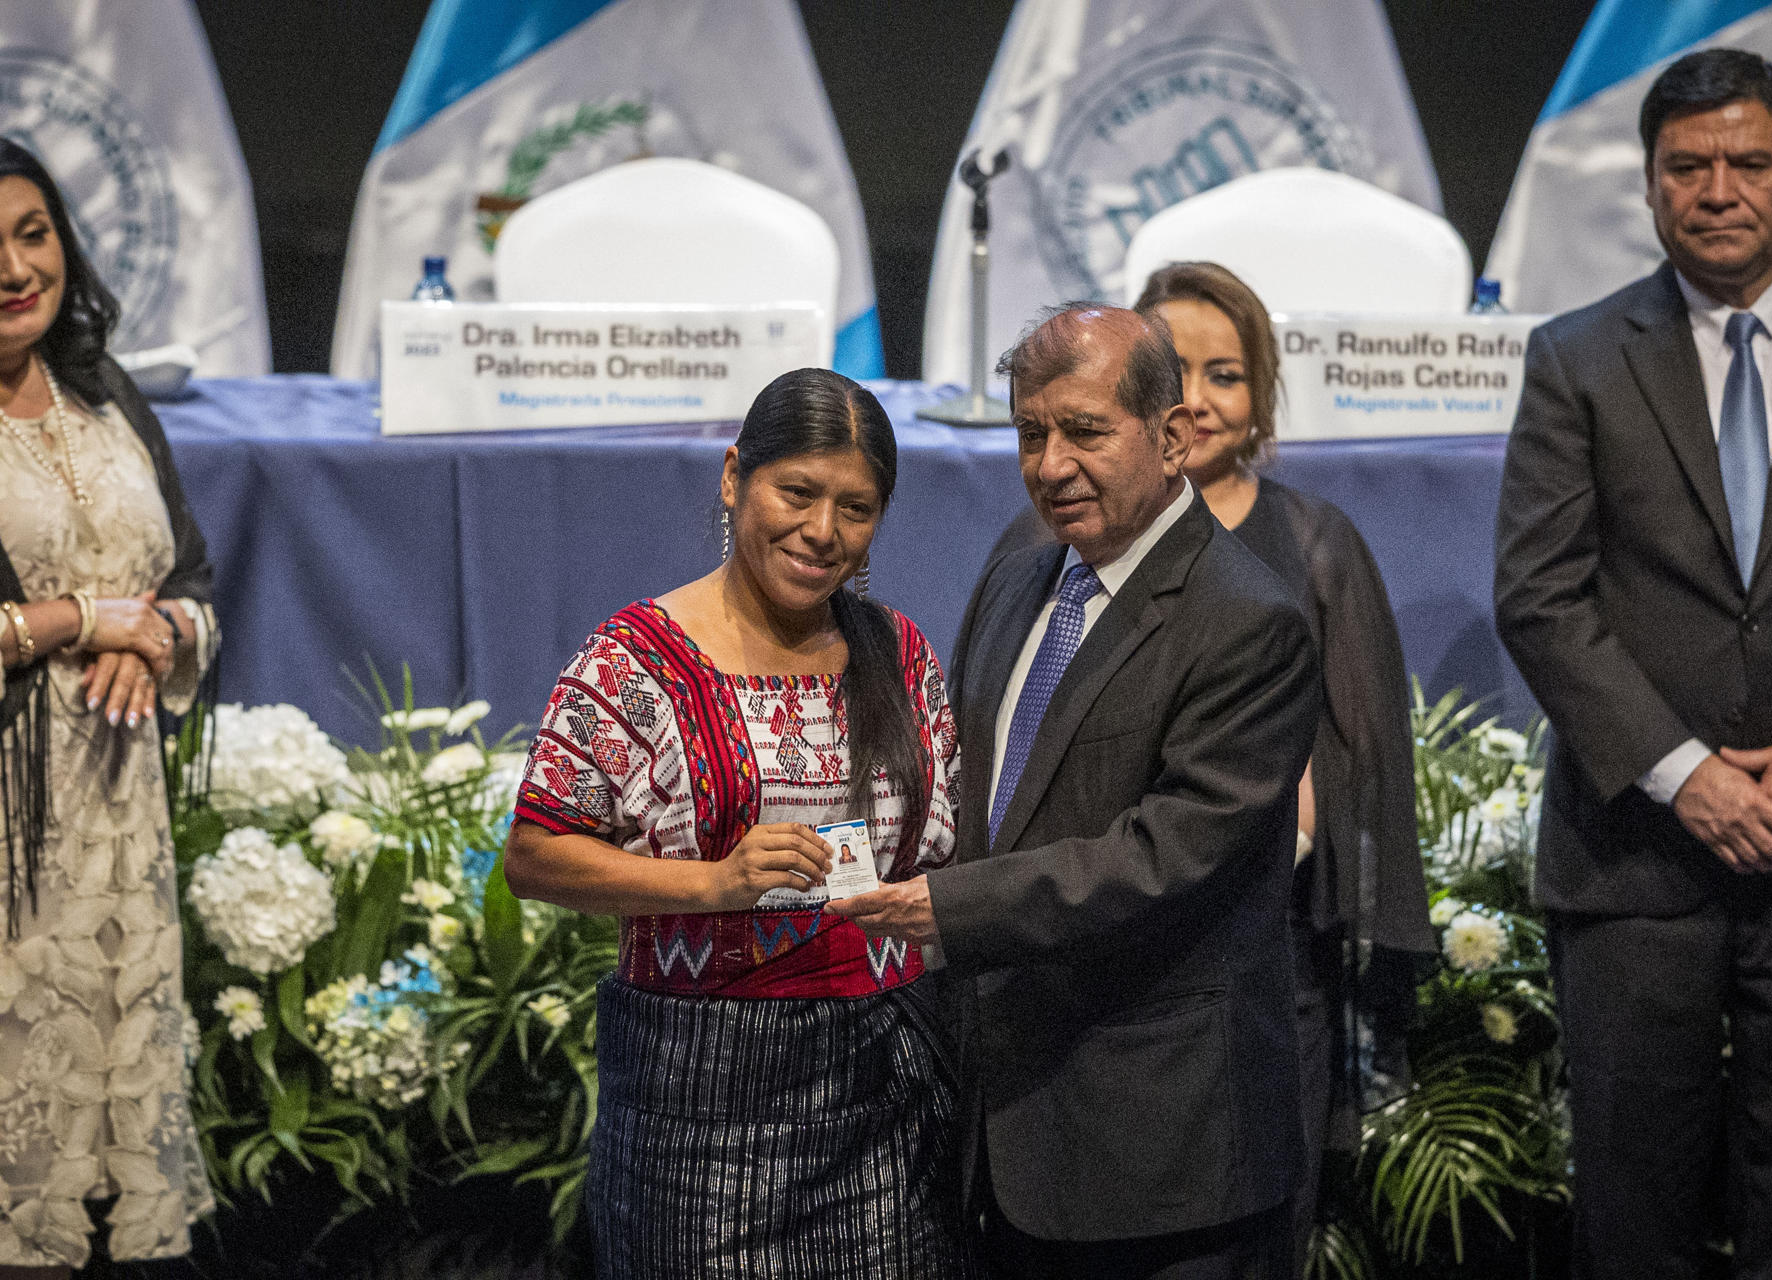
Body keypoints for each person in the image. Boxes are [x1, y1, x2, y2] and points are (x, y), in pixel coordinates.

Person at [1494, 48, 1772, 1279]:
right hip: (1636, 854)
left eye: (1749, 163)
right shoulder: (1575, 357)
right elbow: (1539, 596)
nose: (1718, 188)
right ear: (1649, 185)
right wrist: (1687, 776)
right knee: (1632, 1212)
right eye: (1689, 165)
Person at [831, 305, 1321, 1278]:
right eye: (1030, 432)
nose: (1050, 464)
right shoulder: (1020, 581)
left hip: (1163, 1160)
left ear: (1172, 436)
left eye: (1085, 431)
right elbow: (976, 799)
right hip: (1003, 1135)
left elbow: (1167, 854)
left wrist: (946, 909)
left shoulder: (1250, 620)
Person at [503, 368, 976, 1278]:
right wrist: (712, 884)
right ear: (734, 478)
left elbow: (941, 853)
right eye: (796, 492)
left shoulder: (900, 653)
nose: (822, 531)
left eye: (857, 507)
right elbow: (534, 855)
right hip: (699, 1107)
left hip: (887, 1097)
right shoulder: (635, 660)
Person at [1134, 260, 1434, 1272]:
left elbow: (1363, 754)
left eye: (1226, 372)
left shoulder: (1314, 543)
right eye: (1171, 369)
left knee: (1264, 1228)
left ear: (1261, 389)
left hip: (1272, 958)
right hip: (1113, 954)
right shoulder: (1078, 536)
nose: (1197, 399)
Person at [0, 140, 221, 1274]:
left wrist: (163, 635)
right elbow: (103, 605)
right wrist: (87, 621)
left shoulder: (100, 384)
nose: (12, 268)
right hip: (8, 830)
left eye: (32, 233)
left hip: (116, 822)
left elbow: (185, 575)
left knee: (107, 1132)